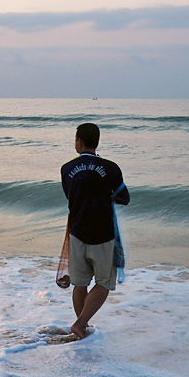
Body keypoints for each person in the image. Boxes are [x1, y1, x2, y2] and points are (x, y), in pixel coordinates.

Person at [60, 123, 129, 339]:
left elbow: (70, 196)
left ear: (79, 141)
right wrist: (107, 197)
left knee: (80, 283)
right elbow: (124, 197)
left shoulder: (66, 169)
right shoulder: (110, 168)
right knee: (103, 283)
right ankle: (81, 324)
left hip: (77, 232)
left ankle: (82, 327)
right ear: (97, 142)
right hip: (103, 234)